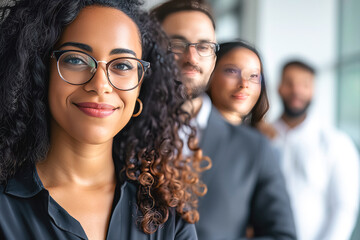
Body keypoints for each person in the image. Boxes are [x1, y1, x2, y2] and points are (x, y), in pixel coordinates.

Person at [0, 0, 208, 239]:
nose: (100, 85)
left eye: (122, 65)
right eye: (76, 59)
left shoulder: (167, 214)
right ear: (40, 71)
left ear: (141, 86)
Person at [151, 1, 297, 239]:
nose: (191, 57)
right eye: (176, 44)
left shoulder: (255, 147)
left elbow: (281, 234)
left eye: (204, 46)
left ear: (213, 57)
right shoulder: (121, 133)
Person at [266, 60, 360, 240]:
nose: (296, 90)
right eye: (289, 83)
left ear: (313, 90)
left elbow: (344, 208)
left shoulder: (336, 143)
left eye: (304, 84)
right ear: (279, 87)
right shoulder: (261, 138)